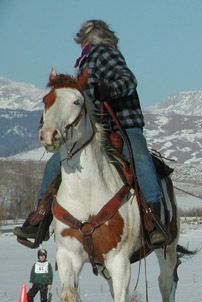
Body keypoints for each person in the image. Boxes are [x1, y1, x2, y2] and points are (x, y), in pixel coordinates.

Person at [13, 19, 166, 247]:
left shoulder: (103, 52)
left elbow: (129, 80)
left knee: (141, 159)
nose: (82, 42)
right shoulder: (84, 62)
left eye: (84, 38)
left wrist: (109, 90)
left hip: (124, 126)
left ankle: (153, 218)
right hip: (95, 132)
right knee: (56, 164)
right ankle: (41, 218)